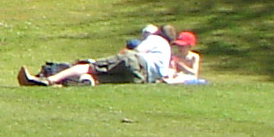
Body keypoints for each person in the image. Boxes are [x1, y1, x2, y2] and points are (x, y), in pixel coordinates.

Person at [18, 21, 175, 88]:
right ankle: (83, 83)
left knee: (88, 67)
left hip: (135, 62)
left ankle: (49, 80)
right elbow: (162, 75)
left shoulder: (156, 39)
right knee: (99, 79)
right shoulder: (167, 52)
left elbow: (136, 53)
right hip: (142, 78)